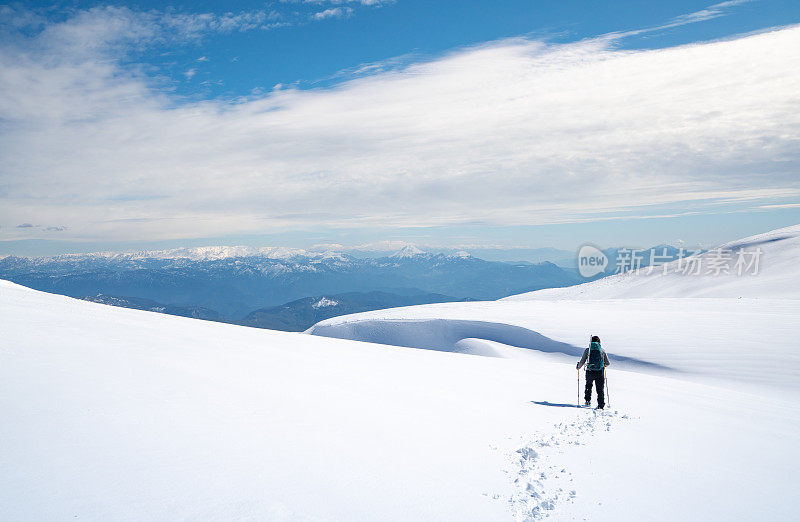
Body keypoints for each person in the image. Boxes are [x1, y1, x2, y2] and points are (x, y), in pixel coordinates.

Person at [576, 335, 610, 409]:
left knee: (588, 386)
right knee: (600, 389)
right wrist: (602, 365)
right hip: (600, 372)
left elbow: (583, 360)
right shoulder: (602, 350)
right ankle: (601, 405)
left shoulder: (588, 350)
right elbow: (608, 363)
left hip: (590, 371)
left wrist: (578, 367)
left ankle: (587, 401)